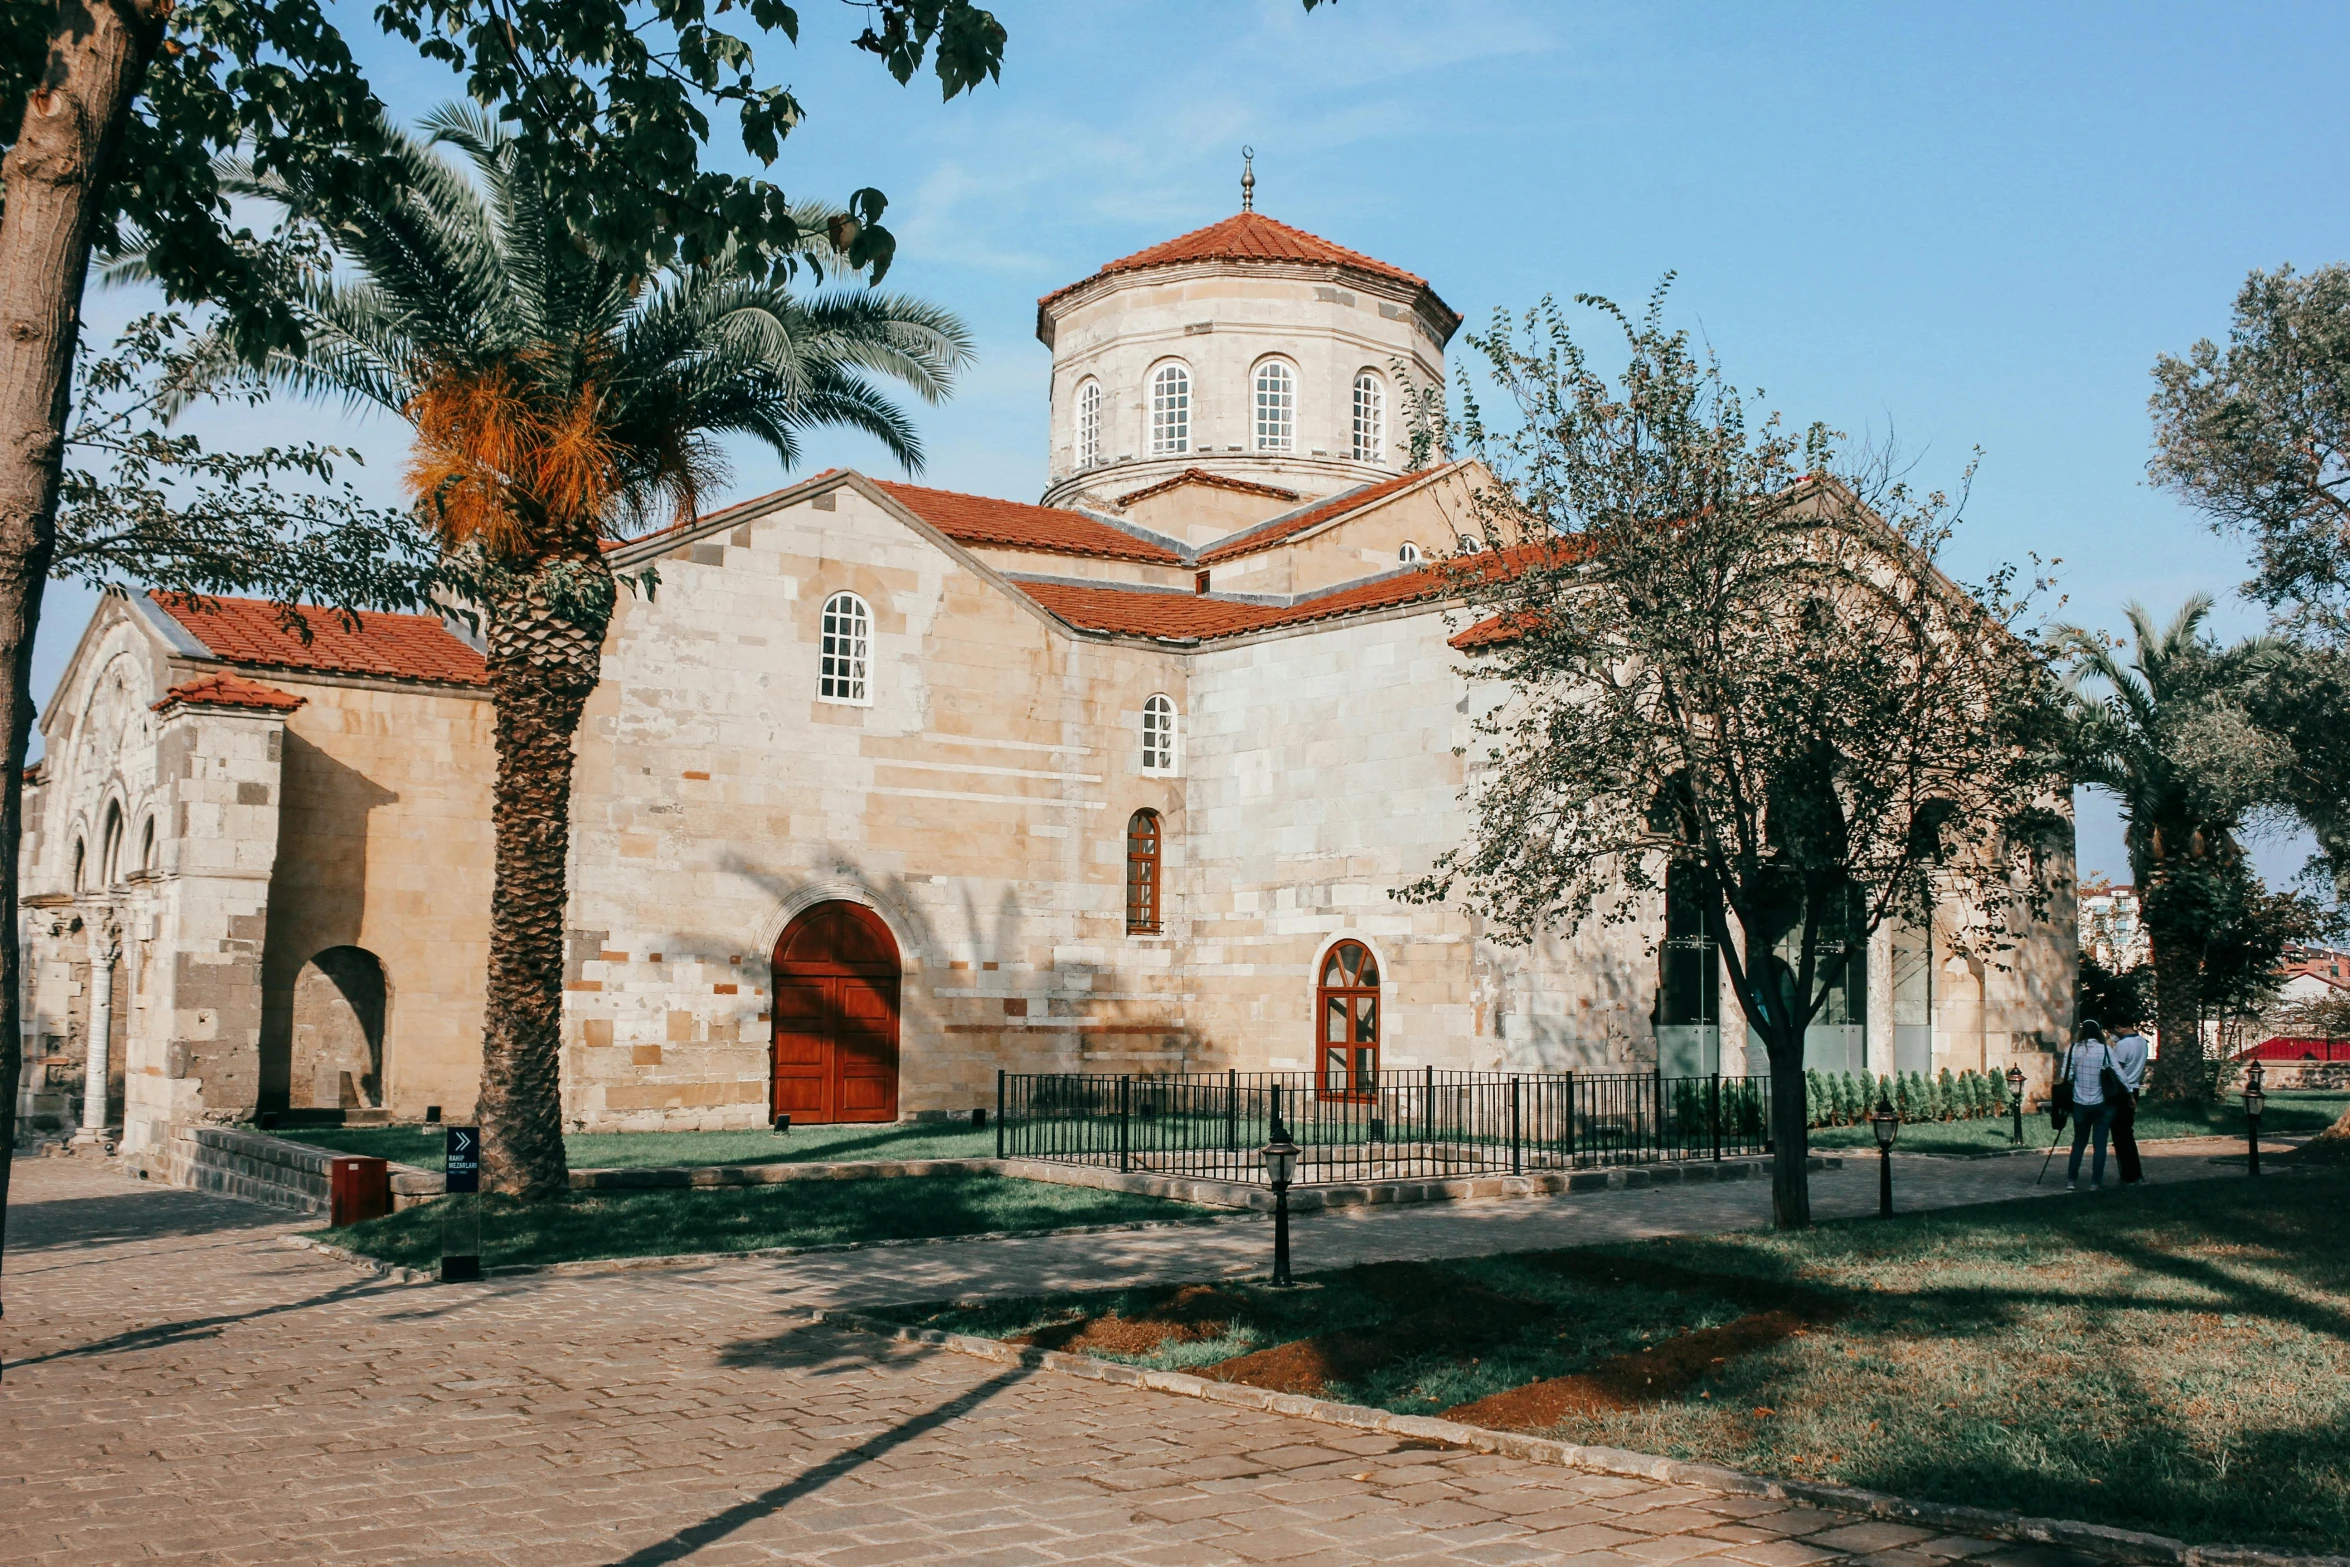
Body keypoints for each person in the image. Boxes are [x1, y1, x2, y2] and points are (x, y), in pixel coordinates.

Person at [2064, 1021, 2117, 1191]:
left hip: (2079, 1102)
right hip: (2101, 1102)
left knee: (2079, 1142)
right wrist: (2129, 1093)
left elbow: (2066, 1074)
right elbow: (2118, 1072)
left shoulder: (2072, 1050)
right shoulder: (2105, 1050)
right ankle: (2095, 1182)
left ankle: (2071, 1180)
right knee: (2100, 1144)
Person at [2108, 1013, 2149, 1185]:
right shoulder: (2141, 1042)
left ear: (2118, 1027)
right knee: (2126, 1132)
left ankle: (2129, 1174)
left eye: (2111, 1030)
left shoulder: (2123, 1046)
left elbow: (2117, 1072)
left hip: (2123, 1090)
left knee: (2121, 1135)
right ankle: (2132, 1172)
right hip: (2135, 1087)